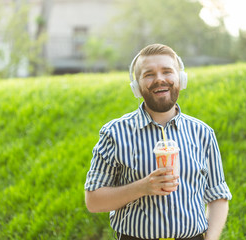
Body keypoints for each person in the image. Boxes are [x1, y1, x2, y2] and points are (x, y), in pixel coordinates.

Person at [84, 43, 232, 240]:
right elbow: (93, 201)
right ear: (136, 87)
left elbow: (218, 196)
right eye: (149, 74)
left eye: (167, 71)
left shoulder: (202, 133)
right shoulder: (114, 133)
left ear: (181, 79)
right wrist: (143, 187)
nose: (160, 79)